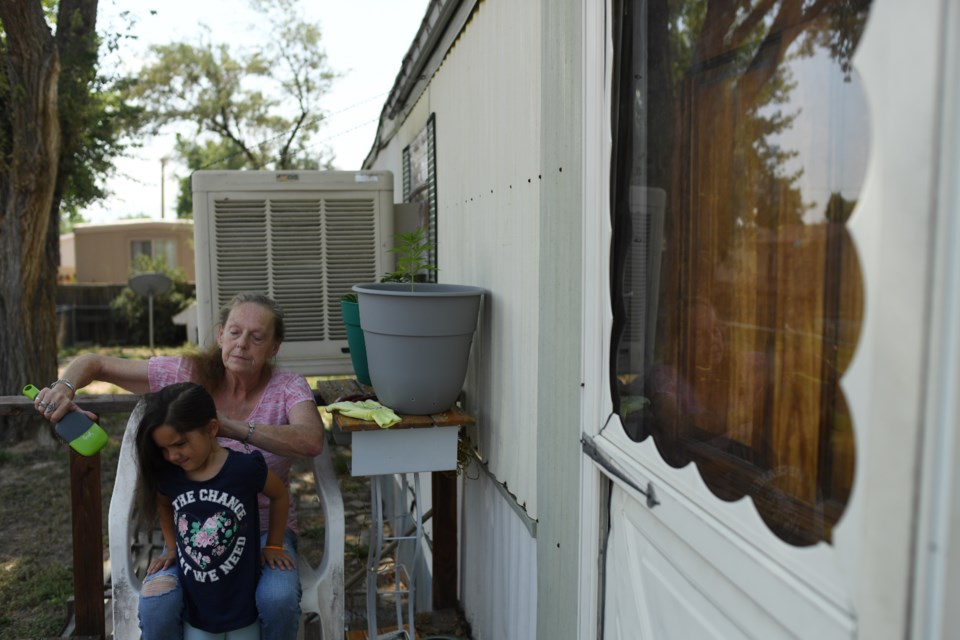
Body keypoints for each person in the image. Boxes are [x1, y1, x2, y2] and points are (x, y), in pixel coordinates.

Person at [33, 292, 324, 640]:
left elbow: (311, 440)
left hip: (264, 532)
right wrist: (64, 387)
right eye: (234, 332)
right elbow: (95, 363)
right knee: (158, 604)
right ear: (219, 334)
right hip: (191, 535)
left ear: (274, 347)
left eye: (257, 337)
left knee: (277, 599)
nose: (242, 344)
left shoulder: (287, 386)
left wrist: (229, 427)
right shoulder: (187, 372)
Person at [136, 381, 295, 639]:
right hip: (198, 612)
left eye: (179, 444)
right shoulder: (171, 475)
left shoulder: (244, 468)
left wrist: (274, 544)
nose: (172, 456)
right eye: (164, 449)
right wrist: (172, 545)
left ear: (211, 429)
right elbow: (163, 503)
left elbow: (279, 495)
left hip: (243, 606)